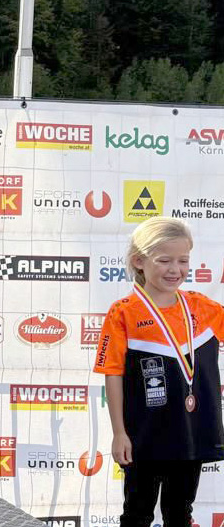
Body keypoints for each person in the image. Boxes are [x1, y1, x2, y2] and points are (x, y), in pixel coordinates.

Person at [93, 216, 224, 527]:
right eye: (164, 260)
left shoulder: (200, 307)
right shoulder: (123, 312)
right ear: (140, 261)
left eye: (183, 260)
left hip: (189, 433)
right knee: (137, 513)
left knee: (180, 513)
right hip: (144, 435)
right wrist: (119, 433)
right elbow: (113, 374)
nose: (175, 269)